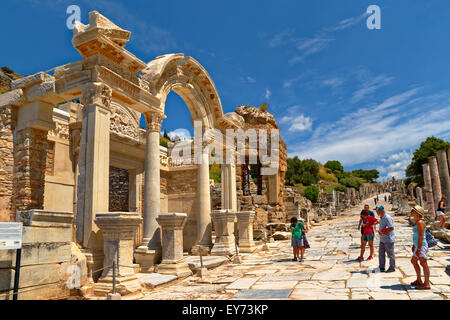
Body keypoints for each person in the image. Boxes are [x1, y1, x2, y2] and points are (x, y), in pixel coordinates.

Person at [410, 205, 430, 290]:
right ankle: (419, 280)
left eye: (412, 210)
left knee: (423, 263)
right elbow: (416, 235)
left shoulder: (420, 223)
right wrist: (414, 245)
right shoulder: (417, 222)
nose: (411, 212)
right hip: (418, 245)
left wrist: (418, 248)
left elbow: (421, 236)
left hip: (422, 246)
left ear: (417, 213)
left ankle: (426, 283)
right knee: (414, 261)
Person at [376, 205, 396, 272]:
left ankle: (392, 267)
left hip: (388, 239)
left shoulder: (387, 218)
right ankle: (381, 267)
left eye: (377, 211)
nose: (376, 212)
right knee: (381, 253)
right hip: (382, 239)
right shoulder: (382, 218)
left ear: (380, 211)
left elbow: (391, 228)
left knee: (390, 254)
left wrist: (383, 233)